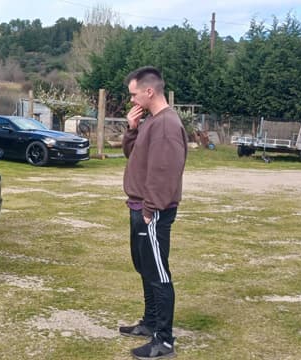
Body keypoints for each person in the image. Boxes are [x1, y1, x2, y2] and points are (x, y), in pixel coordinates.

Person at [119, 66, 187, 360]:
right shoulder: (150, 122)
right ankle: (149, 323)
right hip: (140, 207)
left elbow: (165, 172)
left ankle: (164, 341)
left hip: (153, 211)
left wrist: (150, 210)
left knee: (159, 274)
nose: (132, 100)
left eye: (134, 95)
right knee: (145, 268)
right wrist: (132, 130)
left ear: (149, 91)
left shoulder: (167, 125)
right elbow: (134, 156)